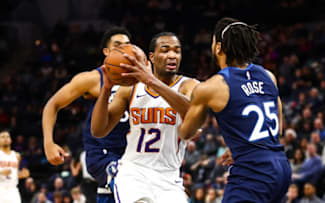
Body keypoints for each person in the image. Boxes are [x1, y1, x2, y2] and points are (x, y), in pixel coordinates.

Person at [178, 17, 292, 202]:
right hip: (281, 168)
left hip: (253, 173)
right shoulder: (268, 76)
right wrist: (244, 145)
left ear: (218, 47)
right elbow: (277, 127)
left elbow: (186, 132)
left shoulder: (212, 86)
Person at [91, 32, 198, 203]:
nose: (172, 55)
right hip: (134, 173)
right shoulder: (130, 89)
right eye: (165, 50)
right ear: (152, 57)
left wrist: (152, 81)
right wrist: (106, 89)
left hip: (169, 177)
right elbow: (98, 130)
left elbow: (193, 113)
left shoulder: (189, 85)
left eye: (177, 51)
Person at [42, 26, 131, 203]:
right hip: (102, 152)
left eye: (127, 45)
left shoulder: (142, 78)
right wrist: (48, 142)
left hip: (131, 152)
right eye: (117, 45)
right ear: (106, 51)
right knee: (129, 183)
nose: (124, 49)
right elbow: (53, 105)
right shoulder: (91, 79)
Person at [0, 130, 30, 203]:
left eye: (7, 137)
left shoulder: (17, 156)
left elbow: (15, 174)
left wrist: (23, 174)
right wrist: (1, 172)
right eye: (2, 137)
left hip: (13, 190)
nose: (5, 138)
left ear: (11, 140)